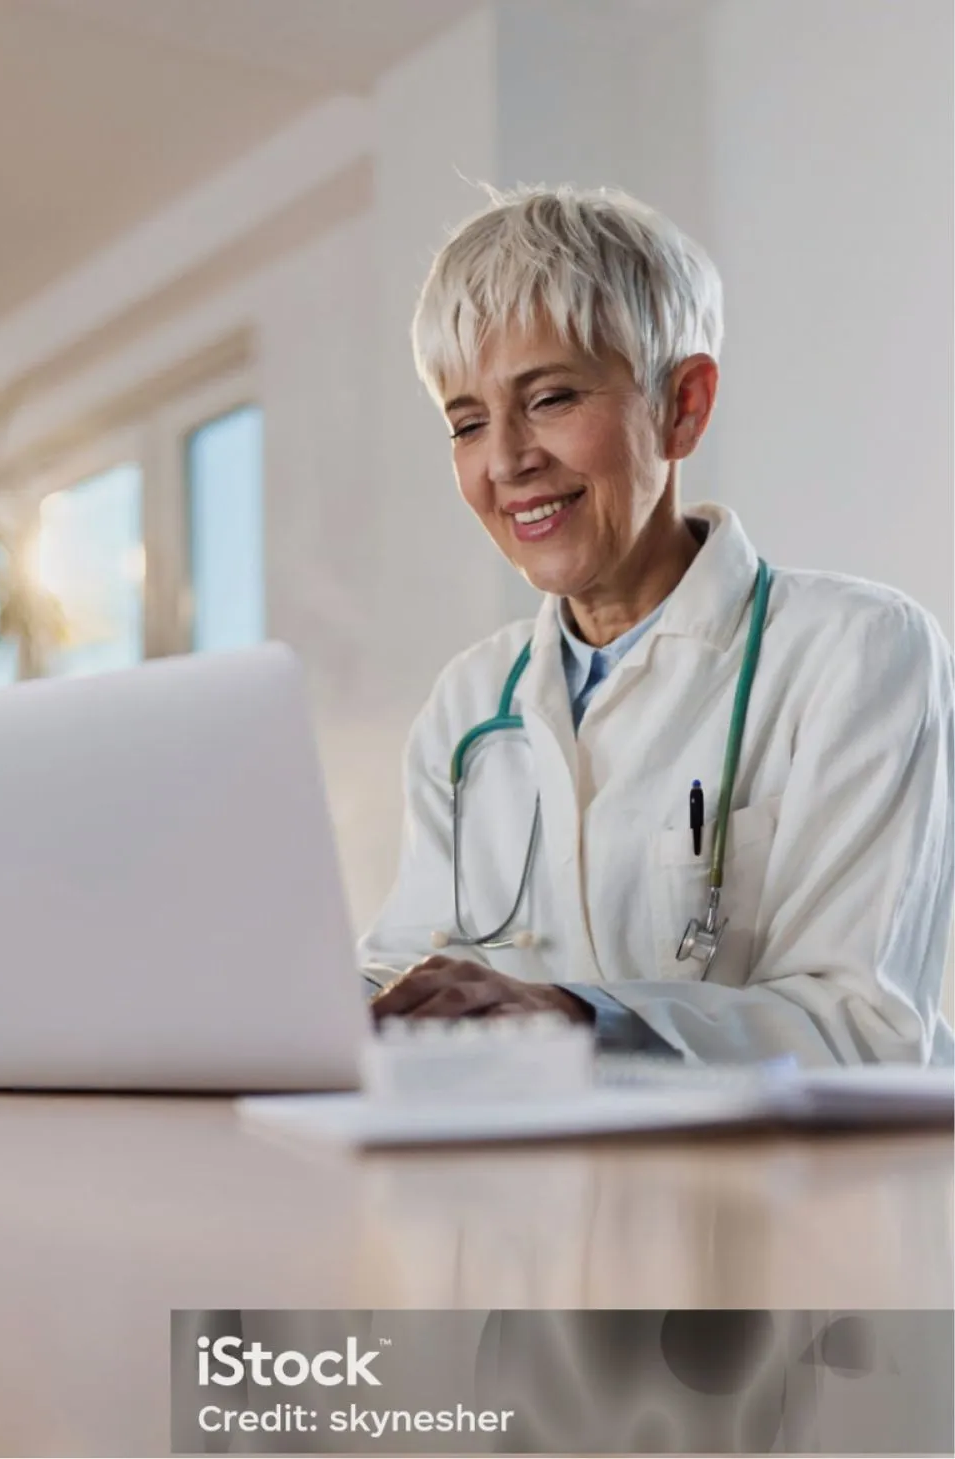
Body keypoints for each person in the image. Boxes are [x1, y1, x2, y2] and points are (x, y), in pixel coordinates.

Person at [360, 185, 953, 1066]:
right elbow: (407, 967)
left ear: (683, 405)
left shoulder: (856, 652)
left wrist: (577, 1015)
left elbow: (868, 1028)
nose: (508, 459)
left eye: (552, 397)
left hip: (771, 1200)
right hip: (523, 1195)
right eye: (468, 421)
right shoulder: (471, 706)